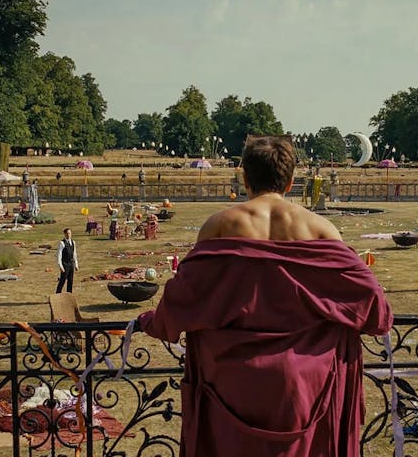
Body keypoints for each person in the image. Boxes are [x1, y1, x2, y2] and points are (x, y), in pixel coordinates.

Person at [136, 135, 392, 457]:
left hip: (229, 382)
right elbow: (374, 309)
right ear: (291, 181)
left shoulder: (219, 226)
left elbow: (181, 301)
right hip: (307, 387)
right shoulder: (321, 230)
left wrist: (151, 322)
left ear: (244, 178)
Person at [55, 228, 79, 293]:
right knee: (62, 280)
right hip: (65, 264)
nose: (69, 235)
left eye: (70, 233)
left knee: (70, 280)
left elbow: (74, 254)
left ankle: (69, 294)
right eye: (67, 233)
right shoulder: (62, 243)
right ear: (64, 234)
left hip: (71, 263)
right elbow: (59, 255)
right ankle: (58, 294)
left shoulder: (73, 242)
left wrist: (76, 264)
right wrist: (61, 266)